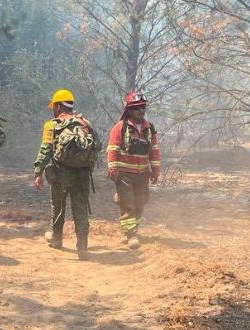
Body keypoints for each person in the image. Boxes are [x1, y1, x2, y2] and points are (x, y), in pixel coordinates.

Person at [33, 89, 99, 260]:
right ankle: (82, 248)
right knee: (80, 209)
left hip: (60, 173)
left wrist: (38, 171)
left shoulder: (52, 125)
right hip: (82, 175)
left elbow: (45, 149)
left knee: (58, 206)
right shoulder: (85, 123)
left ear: (57, 106)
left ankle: (57, 240)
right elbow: (97, 146)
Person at [105, 91, 160, 249]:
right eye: (137, 108)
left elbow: (154, 151)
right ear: (129, 110)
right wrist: (113, 169)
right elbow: (112, 150)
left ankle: (131, 226)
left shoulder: (149, 129)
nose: (141, 111)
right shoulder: (120, 128)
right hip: (124, 175)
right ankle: (131, 235)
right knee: (129, 205)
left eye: (143, 108)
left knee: (140, 202)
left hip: (142, 174)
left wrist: (155, 171)